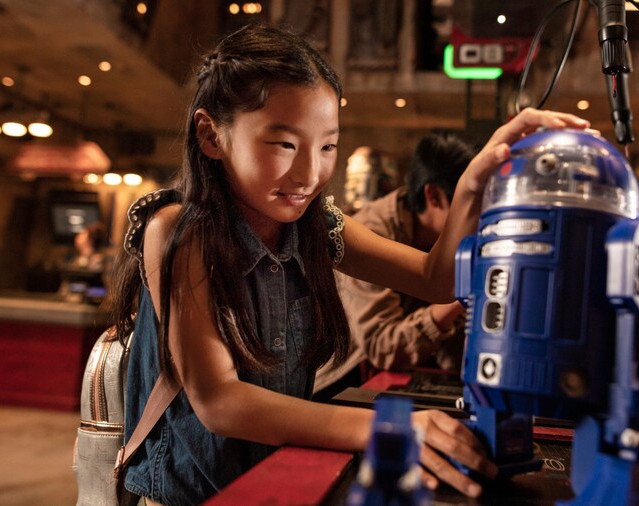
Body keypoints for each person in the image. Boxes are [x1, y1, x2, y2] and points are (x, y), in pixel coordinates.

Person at [109, 23, 590, 505]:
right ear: (211, 135)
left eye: (327, 146)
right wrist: (391, 428)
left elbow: (437, 281)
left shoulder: (317, 224)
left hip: (277, 485)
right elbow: (219, 401)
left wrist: (471, 183)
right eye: (283, 144)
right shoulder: (176, 229)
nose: (310, 173)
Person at [314, 130, 479, 399]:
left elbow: (454, 356)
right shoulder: (371, 232)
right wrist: (460, 297)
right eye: (470, 208)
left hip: (404, 379)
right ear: (434, 196)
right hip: (342, 387)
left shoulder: (449, 238)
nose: (477, 220)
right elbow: (383, 347)